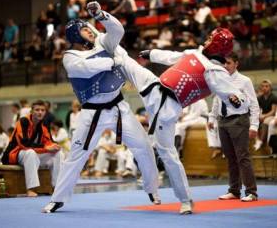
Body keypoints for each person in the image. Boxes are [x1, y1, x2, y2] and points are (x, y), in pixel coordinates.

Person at [114, 27, 248, 214]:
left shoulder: (216, 71)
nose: (207, 40)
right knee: (125, 60)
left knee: (167, 153)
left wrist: (236, 99)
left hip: (168, 109)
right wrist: (152, 54)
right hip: (154, 87)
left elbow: (232, 94)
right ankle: (98, 34)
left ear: (218, 45)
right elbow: (172, 57)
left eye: (211, 38)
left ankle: (185, 200)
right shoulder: (195, 52)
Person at [42, 1, 160, 213]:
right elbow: (86, 69)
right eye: (84, 29)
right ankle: (57, 199)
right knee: (77, 155)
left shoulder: (103, 43)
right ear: (76, 36)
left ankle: (152, 189)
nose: (90, 30)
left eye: (89, 27)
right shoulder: (70, 57)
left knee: (143, 146)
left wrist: (100, 15)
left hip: (118, 107)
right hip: (91, 113)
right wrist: (115, 62)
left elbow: (118, 30)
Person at [208, 52, 259, 201]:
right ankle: (234, 190)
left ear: (236, 64)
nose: (226, 66)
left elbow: (254, 104)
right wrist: (212, 117)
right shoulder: (220, 79)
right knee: (230, 158)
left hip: (239, 121)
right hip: (222, 121)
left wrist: (254, 125)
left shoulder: (244, 81)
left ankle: (251, 192)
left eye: (229, 63)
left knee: (242, 157)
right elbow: (217, 100)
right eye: (224, 63)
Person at [1, 100, 61, 197]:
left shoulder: (44, 125)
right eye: (37, 110)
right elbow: (24, 144)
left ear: (45, 112)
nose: (40, 112)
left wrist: (55, 146)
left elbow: (49, 141)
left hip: (31, 154)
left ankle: (56, 188)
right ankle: (31, 189)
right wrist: (46, 148)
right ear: (31, 111)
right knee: (30, 153)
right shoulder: (23, 121)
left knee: (58, 153)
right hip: (15, 154)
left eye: (42, 110)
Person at [253, 80, 277, 150]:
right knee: (254, 121)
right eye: (263, 86)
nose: (264, 88)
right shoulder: (260, 98)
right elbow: (258, 109)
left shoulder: (273, 97)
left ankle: (261, 140)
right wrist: (259, 115)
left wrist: (264, 116)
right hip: (264, 115)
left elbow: (273, 111)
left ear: (270, 87)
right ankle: (257, 140)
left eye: (266, 86)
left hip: (272, 116)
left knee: (265, 121)